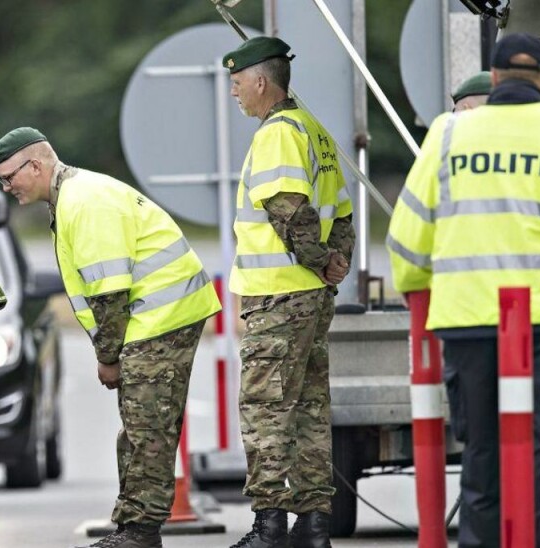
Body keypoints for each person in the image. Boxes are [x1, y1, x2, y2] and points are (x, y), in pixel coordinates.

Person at [0, 127, 221, 548]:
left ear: (36, 166)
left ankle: (139, 534)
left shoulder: (83, 203)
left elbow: (108, 293)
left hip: (160, 318)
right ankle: (134, 528)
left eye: (9, 178)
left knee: (148, 429)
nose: (7, 189)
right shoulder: (76, 196)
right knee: (139, 427)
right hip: (154, 319)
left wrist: (108, 357)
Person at [387, 33, 540, 548]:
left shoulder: (448, 133)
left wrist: (415, 286)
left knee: (481, 452)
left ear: (497, 78)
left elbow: (408, 236)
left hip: (464, 322)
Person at [222, 36, 355, 548]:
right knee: (309, 410)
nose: (234, 94)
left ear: (261, 82)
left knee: (266, 409)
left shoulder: (277, 133)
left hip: (277, 296)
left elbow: (288, 210)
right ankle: (313, 526)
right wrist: (334, 264)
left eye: (237, 84)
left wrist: (320, 260)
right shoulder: (313, 130)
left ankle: (270, 526)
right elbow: (340, 212)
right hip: (312, 297)